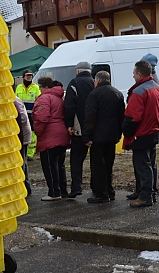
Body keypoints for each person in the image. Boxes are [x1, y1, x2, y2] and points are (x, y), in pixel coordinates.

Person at [122, 61, 159, 208]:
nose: (133, 76)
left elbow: (133, 116)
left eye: (134, 73)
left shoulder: (139, 92)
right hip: (154, 131)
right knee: (151, 163)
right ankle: (148, 192)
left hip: (141, 132)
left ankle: (145, 196)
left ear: (139, 74)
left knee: (142, 165)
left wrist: (126, 130)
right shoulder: (157, 88)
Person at [83, 71, 125, 203]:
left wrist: (87, 136)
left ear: (97, 81)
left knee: (98, 165)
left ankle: (101, 193)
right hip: (112, 136)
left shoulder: (94, 94)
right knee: (108, 164)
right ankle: (109, 190)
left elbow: (90, 116)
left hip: (98, 136)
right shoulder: (118, 93)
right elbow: (121, 116)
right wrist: (119, 134)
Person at [33, 77, 70, 201]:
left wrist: (38, 132)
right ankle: (63, 190)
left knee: (49, 165)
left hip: (50, 134)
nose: (40, 90)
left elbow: (41, 117)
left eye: (41, 87)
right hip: (62, 133)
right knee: (60, 164)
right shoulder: (60, 97)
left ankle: (54, 192)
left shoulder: (44, 98)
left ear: (46, 87)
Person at [64, 61, 95, 198]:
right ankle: (97, 188)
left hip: (79, 127)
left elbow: (69, 105)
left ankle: (76, 187)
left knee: (76, 159)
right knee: (96, 160)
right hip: (95, 128)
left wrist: (69, 124)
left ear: (78, 71)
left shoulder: (74, 83)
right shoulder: (95, 82)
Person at [15, 69, 42, 161]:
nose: (29, 77)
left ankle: (30, 154)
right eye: (27, 75)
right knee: (21, 131)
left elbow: (38, 101)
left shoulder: (36, 87)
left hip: (32, 114)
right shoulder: (18, 87)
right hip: (21, 114)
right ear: (23, 77)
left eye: (31, 75)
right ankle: (22, 152)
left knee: (32, 133)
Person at [14, 96, 32, 196]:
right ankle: (25, 186)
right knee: (22, 162)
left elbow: (23, 118)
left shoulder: (14, 100)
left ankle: (25, 187)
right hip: (22, 135)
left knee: (22, 162)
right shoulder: (16, 100)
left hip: (21, 136)